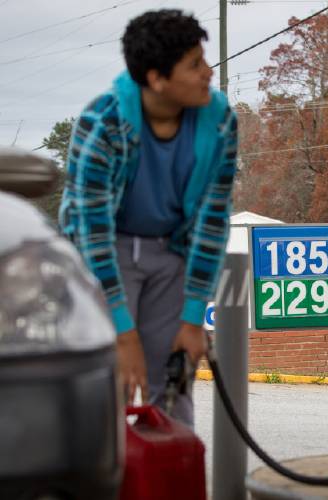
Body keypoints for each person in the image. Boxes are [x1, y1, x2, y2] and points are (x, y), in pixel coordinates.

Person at [59, 9, 238, 427]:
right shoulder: (102, 122)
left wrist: (194, 320)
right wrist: (122, 333)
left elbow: (213, 222)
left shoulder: (220, 122)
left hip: (171, 251)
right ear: (157, 79)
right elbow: (91, 233)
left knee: (173, 381)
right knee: (111, 383)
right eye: (194, 65)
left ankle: (172, 474)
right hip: (105, 251)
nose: (208, 73)